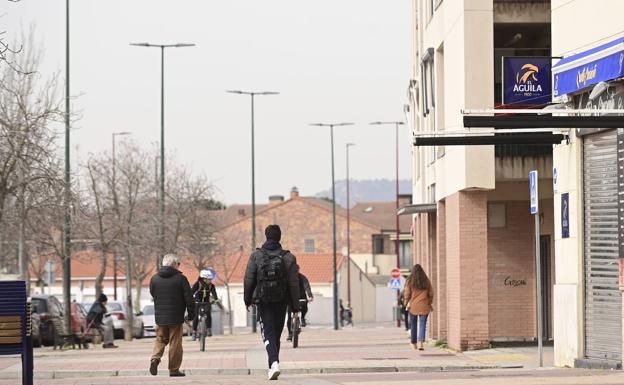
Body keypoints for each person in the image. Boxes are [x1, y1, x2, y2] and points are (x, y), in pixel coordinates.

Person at [244, 224, 300, 381]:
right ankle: (272, 366)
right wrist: (295, 307)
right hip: (281, 301)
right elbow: (294, 284)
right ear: (279, 237)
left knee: (267, 332)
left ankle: (274, 363)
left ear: (266, 236)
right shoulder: (288, 257)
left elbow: (248, 279)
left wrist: (247, 300)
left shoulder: (256, 256)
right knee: (276, 333)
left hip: (263, 301)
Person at [149, 254, 195, 377]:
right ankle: (174, 369)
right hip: (176, 317)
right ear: (175, 264)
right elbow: (189, 299)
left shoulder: (154, 279)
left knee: (160, 339)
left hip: (160, 317)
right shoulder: (181, 279)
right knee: (175, 343)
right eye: (178, 264)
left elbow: (153, 294)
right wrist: (191, 315)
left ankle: (155, 358)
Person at [403, 264, 434, 350]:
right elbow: (431, 293)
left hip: (413, 306)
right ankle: (421, 343)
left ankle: (414, 344)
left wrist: (406, 302)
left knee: (413, 324)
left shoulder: (410, 281)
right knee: (422, 324)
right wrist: (429, 302)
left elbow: (407, 293)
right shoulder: (426, 281)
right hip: (424, 305)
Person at [191, 269, 219, 339]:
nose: (210, 280)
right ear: (204, 279)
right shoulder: (197, 284)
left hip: (206, 302)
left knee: (208, 313)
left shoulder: (211, 286)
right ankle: (194, 331)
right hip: (197, 302)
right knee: (196, 316)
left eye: (210, 279)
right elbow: (191, 292)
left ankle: (209, 329)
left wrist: (216, 300)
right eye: (209, 279)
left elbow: (214, 293)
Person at [286, 272, 314, 341]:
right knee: (289, 316)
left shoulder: (302, 278)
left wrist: (310, 296)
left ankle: (303, 318)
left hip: (301, 297)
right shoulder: (287, 278)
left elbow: (306, 286)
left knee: (304, 306)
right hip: (290, 298)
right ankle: (290, 333)